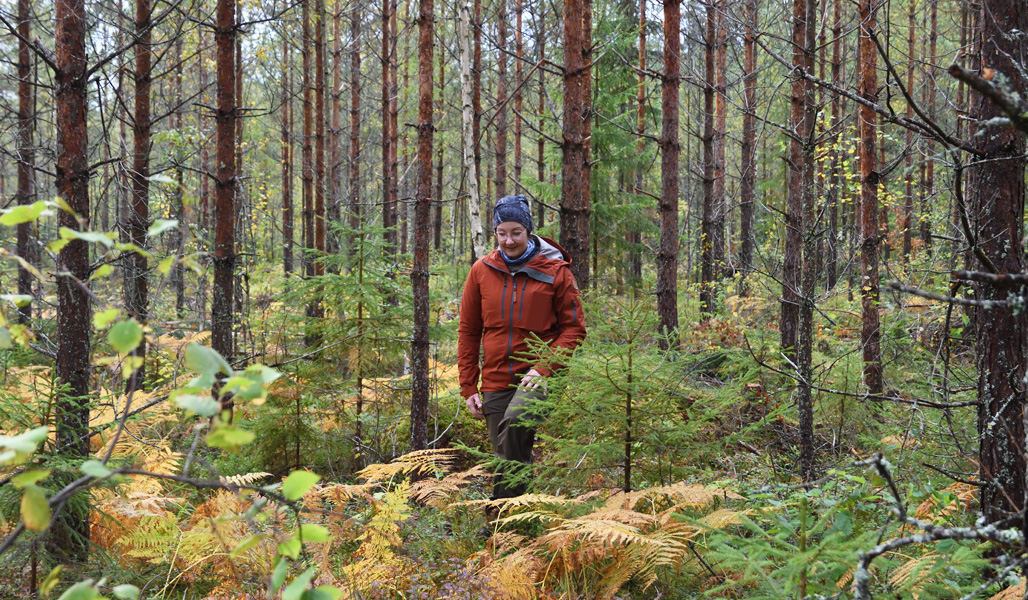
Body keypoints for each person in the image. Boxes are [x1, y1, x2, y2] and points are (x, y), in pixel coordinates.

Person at [457, 194, 587, 500]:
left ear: (528, 231)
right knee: (507, 452)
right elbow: (469, 330)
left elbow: (574, 328)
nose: (509, 241)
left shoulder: (556, 272)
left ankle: (498, 516)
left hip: (539, 374)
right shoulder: (481, 271)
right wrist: (468, 385)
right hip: (496, 375)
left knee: (515, 424)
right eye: (502, 233)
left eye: (516, 232)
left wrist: (544, 368)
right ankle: (521, 523)